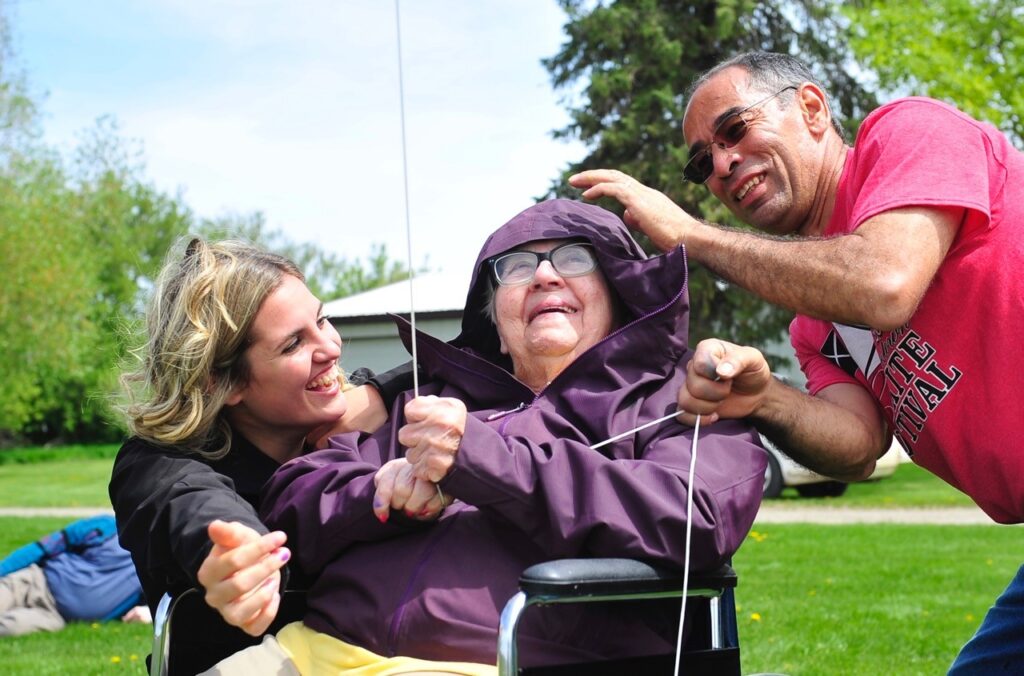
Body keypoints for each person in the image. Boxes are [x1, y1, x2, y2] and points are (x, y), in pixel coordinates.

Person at [570, 51, 1024, 674]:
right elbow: (859, 446)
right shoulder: (813, 327)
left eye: (734, 130)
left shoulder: (906, 132)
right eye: (703, 162)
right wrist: (762, 399)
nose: (723, 165)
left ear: (810, 108)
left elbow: (885, 283)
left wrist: (692, 236)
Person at [206, 199, 766, 674]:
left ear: (619, 295)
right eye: (517, 268)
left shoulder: (684, 398)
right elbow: (291, 494)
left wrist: (481, 458)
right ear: (495, 324)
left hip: (505, 661)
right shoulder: (432, 401)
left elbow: (694, 517)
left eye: (575, 258)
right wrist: (380, 494)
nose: (546, 276)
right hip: (312, 653)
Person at [109, 238, 408, 674]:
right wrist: (240, 549)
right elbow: (191, 503)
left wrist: (382, 391)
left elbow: (482, 359)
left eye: (322, 320)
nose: (330, 348)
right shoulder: (156, 462)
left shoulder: (359, 413)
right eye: (293, 345)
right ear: (223, 383)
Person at [0, 514, 149, 636]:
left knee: (9, 629)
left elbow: (162, 602)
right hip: (33, 583)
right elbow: (41, 548)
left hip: (53, 616)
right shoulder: (105, 526)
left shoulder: (153, 567)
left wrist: (148, 613)